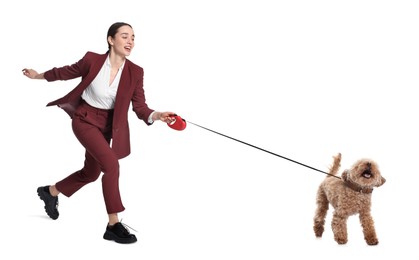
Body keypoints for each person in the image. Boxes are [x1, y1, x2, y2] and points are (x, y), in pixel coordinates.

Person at [22, 22, 177, 244]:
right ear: (110, 40)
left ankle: (50, 192)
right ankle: (113, 224)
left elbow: (140, 108)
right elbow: (65, 72)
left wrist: (158, 115)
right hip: (84, 119)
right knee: (112, 165)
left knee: (91, 173)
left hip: (107, 127)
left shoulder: (136, 72)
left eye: (133, 37)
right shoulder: (92, 60)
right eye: (125, 36)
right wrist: (38, 76)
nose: (130, 41)